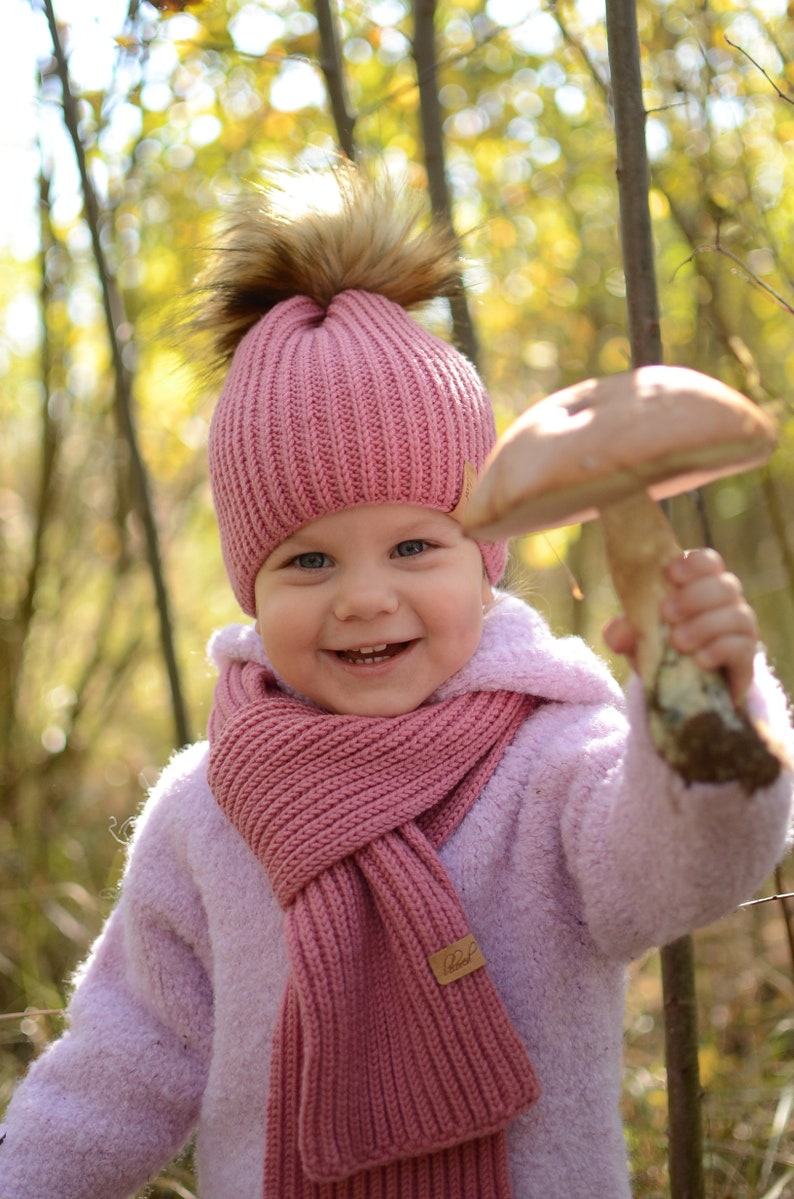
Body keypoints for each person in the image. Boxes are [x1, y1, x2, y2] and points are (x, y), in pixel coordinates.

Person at [0, 165, 792, 1199]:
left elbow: (686, 865)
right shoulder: (209, 809)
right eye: (309, 560)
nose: (363, 597)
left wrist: (705, 704)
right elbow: (124, 1059)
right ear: (249, 585)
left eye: (415, 544)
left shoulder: (551, 757)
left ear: (484, 555)